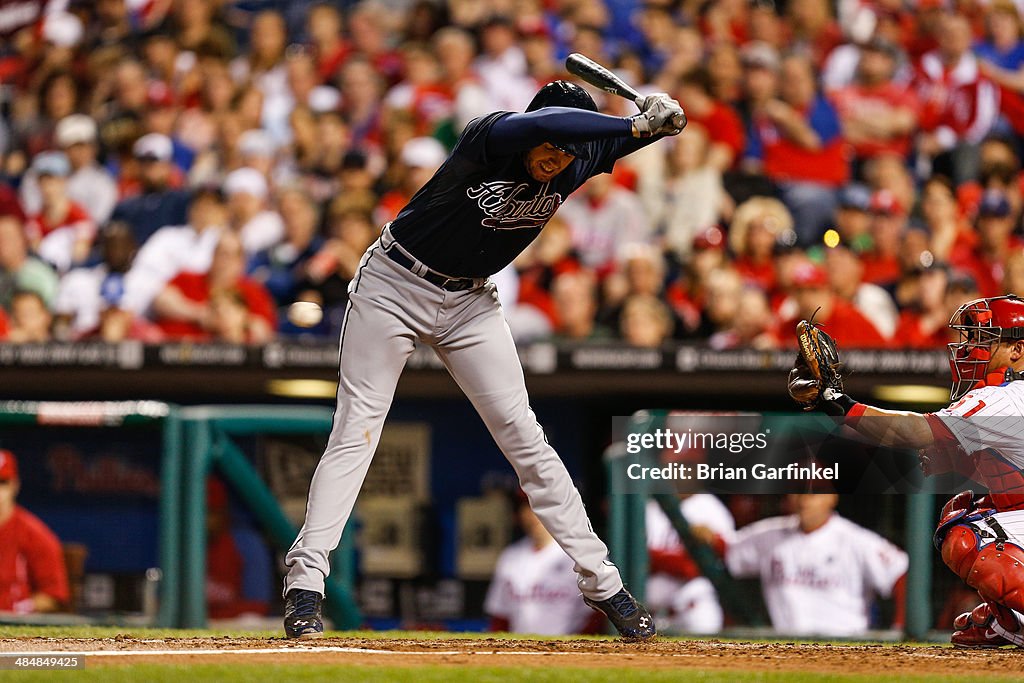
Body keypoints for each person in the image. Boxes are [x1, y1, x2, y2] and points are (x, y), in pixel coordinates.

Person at [282, 80, 686, 641]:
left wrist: (658, 125)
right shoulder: (492, 136)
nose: (557, 158)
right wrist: (634, 125)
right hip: (394, 284)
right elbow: (554, 128)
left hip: (470, 301)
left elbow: (605, 142)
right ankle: (305, 586)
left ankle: (606, 588)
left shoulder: (579, 154)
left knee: (526, 438)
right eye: (552, 145)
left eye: (570, 151)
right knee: (358, 430)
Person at [785, 294, 1024, 647]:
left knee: (965, 535)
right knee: (969, 511)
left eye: (984, 339)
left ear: (1017, 351)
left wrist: (836, 402)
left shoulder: (1003, 397)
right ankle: (1009, 623)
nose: (971, 347)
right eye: (972, 337)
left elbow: (911, 431)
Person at [726, 494, 908, 637]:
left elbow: (900, 572)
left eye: (814, 493)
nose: (804, 500)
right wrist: (705, 534)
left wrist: (900, 628)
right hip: (788, 647)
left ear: (832, 497)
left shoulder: (855, 539)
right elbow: (727, 552)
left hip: (846, 647)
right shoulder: (769, 535)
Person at [485, 492, 597, 635]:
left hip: (569, 652)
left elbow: (599, 615)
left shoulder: (581, 555)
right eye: (528, 507)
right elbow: (500, 617)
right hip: (521, 651)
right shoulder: (510, 557)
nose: (535, 515)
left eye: (542, 507)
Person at [645, 494, 735, 633]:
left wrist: (661, 560)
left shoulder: (709, 506)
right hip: (650, 614)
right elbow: (638, 558)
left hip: (695, 610)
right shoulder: (649, 508)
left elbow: (728, 555)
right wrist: (684, 562)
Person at [0, 450, 70, 614]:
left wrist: (17, 609)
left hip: (14, 625)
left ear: (14, 485)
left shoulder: (34, 533)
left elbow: (53, 596)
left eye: (2, 482)